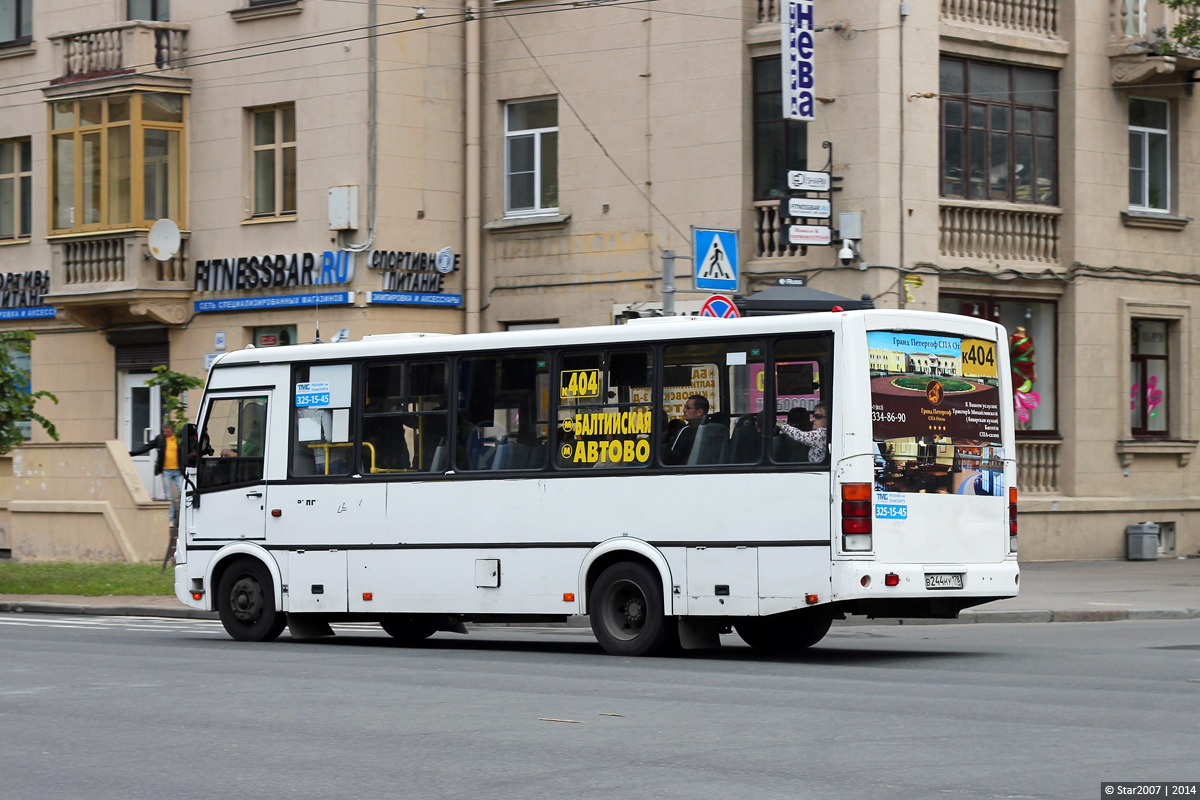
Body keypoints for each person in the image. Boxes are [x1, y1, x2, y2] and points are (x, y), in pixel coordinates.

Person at [130, 421, 187, 529]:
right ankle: (171, 519)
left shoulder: (179, 439)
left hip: (178, 470)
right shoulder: (160, 439)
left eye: (167, 431)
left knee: (182, 494)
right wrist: (131, 453)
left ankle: (182, 519)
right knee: (169, 496)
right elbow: (147, 447)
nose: (165, 433)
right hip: (166, 471)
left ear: (173, 430)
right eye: (164, 430)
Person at [663, 394, 708, 465]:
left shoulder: (686, 430)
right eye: (685, 407)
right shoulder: (708, 428)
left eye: (688, 408)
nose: (684, 410)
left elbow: (672, 458)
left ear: (699, 412)